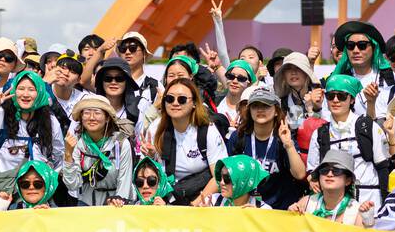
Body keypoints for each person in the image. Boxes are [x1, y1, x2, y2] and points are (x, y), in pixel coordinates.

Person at [304, 74, 388, 209]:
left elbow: (383, 166)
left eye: (342, 96)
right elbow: (312, 169)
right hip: (335, 206)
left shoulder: (368, 127)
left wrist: (384, 200)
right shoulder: (320, 133)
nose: (335, 100)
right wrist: (312, 180)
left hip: (370, 200)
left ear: (352, 100)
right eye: (330, 96)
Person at [146, 76, 228, 205]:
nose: (175, 103)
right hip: (165, 198)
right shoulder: (155, 128)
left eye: (182, 99)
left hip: (200, 198)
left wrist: (193, 206)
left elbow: (219, 177)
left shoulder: (208, 130)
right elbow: (145, 177)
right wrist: (150, 158)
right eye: (170, 98)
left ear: (194, 103)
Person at [0, 69, 64, 191]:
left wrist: (50, 176)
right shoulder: (0, 116)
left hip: (37, 188)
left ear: (40, 93)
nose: (25, 94)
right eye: (20, 89)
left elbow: (58, 154)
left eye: (31, 90)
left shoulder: (50, 121)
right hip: (3, 188)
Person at [228, 85, 306, 210]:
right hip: (247, 209)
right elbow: (229, 176)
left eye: (266, 105)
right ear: (249, 111)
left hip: (279, 212)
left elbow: (300, 174)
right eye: (255, 106)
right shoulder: (238, 138)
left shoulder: (283, 137)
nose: (260, 110)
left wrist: (289, 145)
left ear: (276, 111)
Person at [60, 93, 134, 206]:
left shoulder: (120, 143)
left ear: (107, 118)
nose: (91, 117)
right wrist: (68, 154)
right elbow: (72, 185)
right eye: (87, 113)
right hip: (87, 203)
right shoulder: (77, 143)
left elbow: (124, 179)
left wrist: (118, 200)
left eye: (97, 113)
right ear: (81, 118)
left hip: (117, 203)